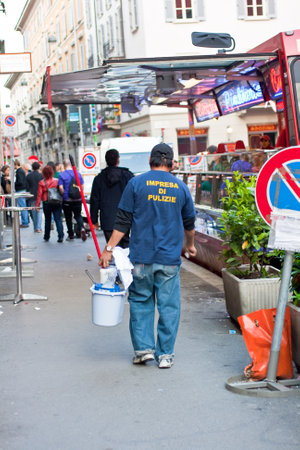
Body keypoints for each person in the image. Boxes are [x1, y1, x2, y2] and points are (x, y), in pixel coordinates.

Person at [100, 143, 197, 369]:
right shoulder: (180, 187)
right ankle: (165, 355)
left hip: (141, 257)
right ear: (172, 163)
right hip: (169, 259)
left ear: (150, 161)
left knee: (140, 302)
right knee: (169, 308)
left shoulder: (136, 183)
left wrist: (109, 249)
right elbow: (189, 224)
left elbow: (122, 222)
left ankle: (143, 350)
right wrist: (189, 246)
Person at [90, 149, 134, 248]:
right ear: (118, 160)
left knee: (112, 247)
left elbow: (95, 200)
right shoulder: (127, 176)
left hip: (107, 218)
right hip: (125, 219)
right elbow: (135, 196)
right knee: (125, 248)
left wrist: (94, 220)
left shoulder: (99, 179)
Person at [58, 159, 86, 241]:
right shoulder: (78, 174)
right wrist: (79, 194)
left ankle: (71, 234)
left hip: (67, 200)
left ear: (64, 165)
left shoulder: (62, 175)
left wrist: (64, 195)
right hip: (77, 199)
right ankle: (82, 229)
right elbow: (82, 186)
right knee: (78, 215)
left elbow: (60, 187)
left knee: (68, 217)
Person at [36, 165, 64, 243]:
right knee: (58, 219)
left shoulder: (42, 182)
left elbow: (39, 194)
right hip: (56, 202)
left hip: (46, 202)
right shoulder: (57, 181)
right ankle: (61, 236)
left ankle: (47, 236)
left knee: (48, 220)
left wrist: (37, 205)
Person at [26, 161, 43, 232]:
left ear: (32, 167)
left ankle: (35, 227)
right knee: (39, 211)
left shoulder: (28, 176)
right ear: (39, 167)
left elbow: (27, 186)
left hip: (32, 195)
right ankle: (38, 227)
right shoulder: (41, 175)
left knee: (33, 211)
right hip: (39, 195)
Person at [14, 159, 30, 228]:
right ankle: (26, 221)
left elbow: (20, 182)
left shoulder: (19, 172)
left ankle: (25, 222)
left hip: (20, 190)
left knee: (22, 207)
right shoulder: (21, 171)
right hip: (22, 190)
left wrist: (13, 183)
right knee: (23, 206)